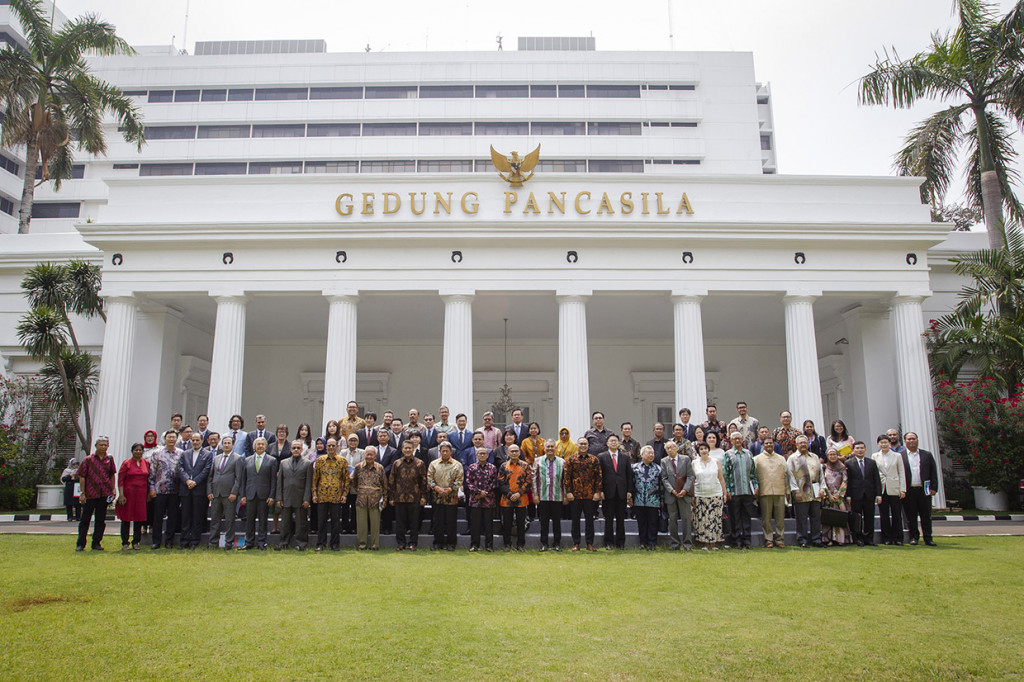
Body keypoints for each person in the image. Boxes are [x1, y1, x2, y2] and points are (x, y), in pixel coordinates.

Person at [75, 436, 117, 551]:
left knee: (100, 520)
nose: (103, 447)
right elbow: (82, 476)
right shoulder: (88, 460)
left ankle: (96, 542)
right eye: (101, 445)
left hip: (104, 493)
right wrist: (82, 493)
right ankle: (81, 543)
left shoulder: (109, 459)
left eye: (105, 445)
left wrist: (113, 489)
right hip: (90, 493)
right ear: (96, 446)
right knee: (85, 519)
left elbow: (112, 474)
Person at [564, 437, 602, 551]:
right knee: (575, 520)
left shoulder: (594, 460)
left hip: (590, 495)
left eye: (585, 444)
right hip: (575, 495)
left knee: (589, 520)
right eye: (581, 444)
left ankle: (589, 543)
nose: (583, 446)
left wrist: (597, 492)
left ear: (588, 445)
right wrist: (568, 492)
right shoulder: (571, 460)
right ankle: (576, 543)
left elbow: (598, 477)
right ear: (577, 445)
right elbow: (567, 477)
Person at [901, 432, 938, 546]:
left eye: (913, 439)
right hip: (909, 490)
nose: (911, 441)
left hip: (924, 490)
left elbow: (933, 472)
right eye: (909, 439)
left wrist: (934, 488)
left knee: (926, 515)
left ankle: (928, 538)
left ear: (917, 440)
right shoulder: (901, 456)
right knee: (911, 516)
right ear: (905, 441)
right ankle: (914, 537)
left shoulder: (926, 455)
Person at [241, 437, 278, 550]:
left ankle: (262, 542)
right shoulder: (247, 460)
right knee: (250, 520)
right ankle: (249, 542)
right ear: (254, 446)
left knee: (263, 520)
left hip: (264, 495)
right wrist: (243, 495)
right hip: (250, 494)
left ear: (266, 446)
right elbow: (243, 480)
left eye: (262, 444)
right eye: (258, 444)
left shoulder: (272, 460)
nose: (260, 446)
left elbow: (273, 480)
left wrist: (272, 496)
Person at [207, 435, 244, 549]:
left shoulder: (237, 458)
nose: (226, 445)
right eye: (224, 443)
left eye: (229, 443)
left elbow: (239, 478)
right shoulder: (216, 458)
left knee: (229, 520)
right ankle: (213, 542)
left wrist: (234, 492)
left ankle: (228, 543)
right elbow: (210, 477)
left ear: (233, 445)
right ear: (221, 445)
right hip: (216, 494)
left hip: (229, 495)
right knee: (215, 520)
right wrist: (209, 491)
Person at [788, 435, 825, 548]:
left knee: (816, 517)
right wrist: (795, 491)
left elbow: (821, 475)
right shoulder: (793, 458)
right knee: (802, 518)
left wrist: (823, 488)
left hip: (815, 491)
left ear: (808, 444)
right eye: (801, 443)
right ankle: (802, 540)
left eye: (805, 442)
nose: (803, 444)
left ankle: (816, 539)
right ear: (796, 445)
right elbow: (790, 475)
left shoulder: (814, 457)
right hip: (801, 492)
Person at [722, 432, 758, 549]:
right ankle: (736, 540)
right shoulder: (728, 454)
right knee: (735, 517)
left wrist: (756, 486)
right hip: (734, 491)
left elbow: (753, 472)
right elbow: (725, 474)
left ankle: (747, 540)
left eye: (739, 438)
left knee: (746, 516)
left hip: (747, 490)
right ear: (730, 441)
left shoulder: (749, 454)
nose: (737, 441)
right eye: (734, 439)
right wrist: (727, 490)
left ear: (742, 440)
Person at [390, 440, 428, 551]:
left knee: (414, 523)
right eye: (405, 448)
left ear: (413, 449)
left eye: (409, 448)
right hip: (399, 497)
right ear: (402, 449)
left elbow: (424, 481)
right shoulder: (397, 463)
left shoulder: (419, 463)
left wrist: (424, 496)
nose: (407, 450)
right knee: (400, 523)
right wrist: (391, 497)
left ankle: (413, 543)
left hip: (415, 497)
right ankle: (401, 543)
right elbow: (392, 481)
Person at [177, 431, 213, 549]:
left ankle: (194, 540)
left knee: (197, 516)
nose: (195, 442)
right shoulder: (184, 454)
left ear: (202, 441)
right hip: (186, 489)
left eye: (198, 440)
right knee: (185, 516)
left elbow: (206, 470)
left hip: (199, 490)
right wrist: (187, 480)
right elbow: (180, 468)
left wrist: (195, 482)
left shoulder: (207, 455)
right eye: (193, 440)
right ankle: (184, 540)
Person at [148, 430, 183, 549]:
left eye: (174, 437)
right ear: (165, 439)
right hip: (160, 490)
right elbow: (152, 472)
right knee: (158, 517)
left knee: (172, 517)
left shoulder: (181, 453)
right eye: (169, 437)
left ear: (177, 439)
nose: (171, 439)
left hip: (175, 490)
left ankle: (169, 541)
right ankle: (156, 541)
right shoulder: (157, 453)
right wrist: (152, 488)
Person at [598, 434, 633, 550]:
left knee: (620, 519)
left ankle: (620, 542)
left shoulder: (625, 457)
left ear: (619, 443)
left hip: (621, 492)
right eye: (611, 441)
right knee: (608, 518)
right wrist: (600, 491)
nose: (613, 443)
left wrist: (629, 491)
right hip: (608, 492)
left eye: (615, 441)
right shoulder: (602, 457)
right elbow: (599, 476)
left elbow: (629, 475)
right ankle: (608, 542)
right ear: (607, 443)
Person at [312, 438, 348, 551]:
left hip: (336, 496)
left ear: (337, 446)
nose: (331, 448)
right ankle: (320, 544)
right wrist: (314, 494)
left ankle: (335, 544)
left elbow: (346, 479)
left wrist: (344, 494)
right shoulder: (320, 460)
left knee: (335, 522)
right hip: (322, 495)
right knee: (321, 521)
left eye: (333, 445)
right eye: (329, 446)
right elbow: (315, 479)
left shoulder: (342, 461)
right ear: (326, 446)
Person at [276, 439, 312, 550]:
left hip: (300, 497)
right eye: (294, 448)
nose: (296, 450)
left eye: (298, 448)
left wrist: (306, 498)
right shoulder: (283, 463)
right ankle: (283, 543)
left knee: (301, 523)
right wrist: (279, 498)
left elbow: (308, 483)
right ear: (290, 449)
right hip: (286, 496)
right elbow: (280, 482)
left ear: (302, 449)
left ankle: (301, 544)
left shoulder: (308, 463)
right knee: (285, 523)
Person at [426, 442, 463, 550]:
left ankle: (451, 543)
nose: (445, 453)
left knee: (451, 522)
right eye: (443, 451)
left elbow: (459, 480)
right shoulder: (433, 464)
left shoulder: (457, 465)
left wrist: (450, 489)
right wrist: (437, 488)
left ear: (451, 452)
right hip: (437, 498)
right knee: (438, 522)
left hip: (452, 497)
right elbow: (430, 479)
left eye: (447, 451)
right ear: (440, 452)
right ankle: (438, 542)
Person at [846, 440, 882, 546]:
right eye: (857, 448)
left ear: (865, 450)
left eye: (862, 448)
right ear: (853, 450)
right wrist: (848, 495)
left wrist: (878, 494)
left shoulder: (871, 463)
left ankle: (869, 539)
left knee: (869, 517)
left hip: (869, 494)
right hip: (855, 495)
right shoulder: (848, 463)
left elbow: (876, 479)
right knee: (856, 518)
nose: (860, 450)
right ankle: (858, 538)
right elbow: (847, 481)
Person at [754, 435, 788, 548]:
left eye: (771, 443)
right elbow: (754, 476)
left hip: (779, 490)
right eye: (767, 443)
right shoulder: (757, 459)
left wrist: (787, 491)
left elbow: (786, 474)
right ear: (763, 445)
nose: (769, 445)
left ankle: (780, 539)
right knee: (766, 518)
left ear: (774, 445)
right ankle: (768, 540)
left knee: (780, 518)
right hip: (765, 490)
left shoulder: (781, 458)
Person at [873, 433, 906, 545]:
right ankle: (886, 538)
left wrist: (903, 489)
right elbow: (874, 475)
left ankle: (898, 538)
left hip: (894, 488)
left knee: (897, 514)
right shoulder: (875, 456)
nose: (883, 444)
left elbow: (901, 473)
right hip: (881, 489)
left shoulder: (897, 456)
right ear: (878, 444)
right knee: (884, 514)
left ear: (889, 443)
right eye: (881, 443)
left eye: (885, 442)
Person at [692, 442, 727, 550]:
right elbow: (693, 480)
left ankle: (714, 543)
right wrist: (692, 496)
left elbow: (721, 478)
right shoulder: (694, 463)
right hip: (700, 494)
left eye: (705, 448)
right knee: (703, 520)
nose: (704, 451)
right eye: (701, 449)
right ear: (698, 451)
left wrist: (724, 493)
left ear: (708, 450)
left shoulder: (716, 462)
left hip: (715, 494)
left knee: (714, 519)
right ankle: (705, 543)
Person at [660, 440, 694, 550]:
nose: (670, 450)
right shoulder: (664, 461)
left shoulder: (686, 459)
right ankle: (675, 543)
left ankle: (687, 544)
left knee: (686, 519)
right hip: (671, 495)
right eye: (668, 448)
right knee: (672, 520)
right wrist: (671, 490)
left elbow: (690, 476)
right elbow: (664, 478)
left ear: (677, 448)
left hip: (684, 494)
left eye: (672, 447)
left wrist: (685, 490)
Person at [352, 446, 388, 550]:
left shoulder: (380, 468)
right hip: (361, 500)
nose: (369, 456)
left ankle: (374, 545)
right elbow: (354, 482)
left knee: (375, 524)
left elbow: (384, 484)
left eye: (371, 454)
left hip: (375, 500)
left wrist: (385, 498)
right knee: (361, 523)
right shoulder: (358, 467)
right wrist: (361, 491)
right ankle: (362, 544)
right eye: (367, 454)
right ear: (364, 455)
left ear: (375, 456)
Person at [497, 443, 532, 551]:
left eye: (516, 451)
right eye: (512, 451)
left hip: (521, 499)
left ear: (519, 452)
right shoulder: (503, 466)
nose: (514, 453)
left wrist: (519, 493)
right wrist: (510, 494)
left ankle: (520, 545)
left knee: (521, 524)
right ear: (508, 453)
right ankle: (507, 544)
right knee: (506, 523)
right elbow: (501, 482)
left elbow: (528, 482)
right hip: (507, 500)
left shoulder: (525, 465)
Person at [115, 443, 149, 550]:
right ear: (132, 451)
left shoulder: (146, 463)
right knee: (126, 518)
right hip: (128, 494)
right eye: (136, 450)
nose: (138, 452)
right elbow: (120, 480)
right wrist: (121, 495)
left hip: (141, 494)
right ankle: (125, 542)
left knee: (139, 518)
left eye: (140, 450)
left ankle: (136, 541)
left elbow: (148, 479)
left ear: (143, 451)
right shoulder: (126, 463)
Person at [534, 439, 565, 551]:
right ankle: (544, 543)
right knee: (544, 522)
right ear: (544, 448)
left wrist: (565, 495)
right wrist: (535, 495)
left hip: (557, 496)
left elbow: (564, 480)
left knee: (557, 522)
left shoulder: (562, 462)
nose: (550, 448)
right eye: (548, 447)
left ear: (555, 448)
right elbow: (534, 479)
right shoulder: (538, 461)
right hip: (543, 496)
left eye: (552, 446)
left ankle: (557, 543)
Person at [465, 447, 498, 551]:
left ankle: (489, 545)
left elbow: (494, 482)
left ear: (488, 455)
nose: (482, 455)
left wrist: (485, 493)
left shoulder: (492, 468)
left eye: (484, 453)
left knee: (489, 524)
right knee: (475, 524)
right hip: (475, 500)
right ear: (476, 455)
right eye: (480, 453)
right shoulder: (472, 467)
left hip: (489, 500)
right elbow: (468, 482)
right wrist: (478, 492)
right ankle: (474, 545)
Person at [631, 445, 662, 550]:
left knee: (653, 522)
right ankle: (642, 542)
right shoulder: (635, 467)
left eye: (652, 453)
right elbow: (632, 483)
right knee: (641, 523)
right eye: (648, 453)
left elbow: (661, 485)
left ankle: (652, 543)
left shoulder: (658, 468)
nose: (651, 455)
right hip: (639, 500)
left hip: (654, 500)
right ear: (642, 454)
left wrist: (661, 499)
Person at [821, 447, 849, 546]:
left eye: (834, 454)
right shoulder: (823, 467)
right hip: (828, 497)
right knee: (828, 518)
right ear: (827, 456)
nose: (832, 456)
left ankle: (840, 539)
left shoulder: (842, 467)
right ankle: (828, 539)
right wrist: (828, 494)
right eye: (830, 455)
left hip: (839, 498)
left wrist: (838, 495)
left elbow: (845, 481)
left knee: (839, 517)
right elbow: (822, 481)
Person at [341, 433, 363, 534]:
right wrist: (347, 476)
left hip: (356, 483)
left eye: (354, 441)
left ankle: (354, 527)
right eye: (351, 440)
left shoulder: (362, 452)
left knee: (355, 507)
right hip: (345, 483)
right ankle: (345, 527)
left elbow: (362, 466)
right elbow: (341, 465)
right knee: (345, 507)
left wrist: (354, 477)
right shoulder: (343, 452)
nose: (352, 442)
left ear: (357, 442)